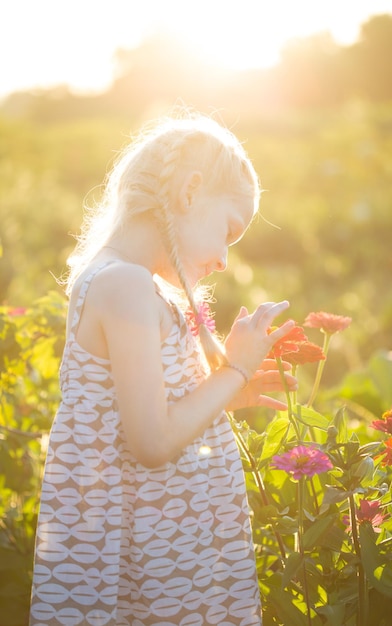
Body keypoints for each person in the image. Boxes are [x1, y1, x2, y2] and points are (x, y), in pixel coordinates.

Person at [29, 111, 297, 626]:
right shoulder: (124, 284)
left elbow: (141, 410)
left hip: (163, 549)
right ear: (190, 191)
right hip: (147, 562)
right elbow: (151, 442)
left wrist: (225, 394)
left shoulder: (130, 283)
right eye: (228, 232)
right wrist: (233, 372)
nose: (223, 258)